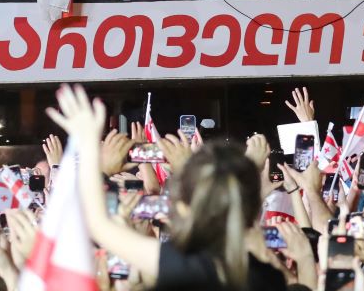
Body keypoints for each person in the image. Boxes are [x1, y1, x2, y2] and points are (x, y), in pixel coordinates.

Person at [48, 84, 287, 291]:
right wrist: (252, 166)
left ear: (182, 208)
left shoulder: (183, 266)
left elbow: (96, 224)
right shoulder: (269, 277)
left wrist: (93, 150)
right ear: (254, 206)